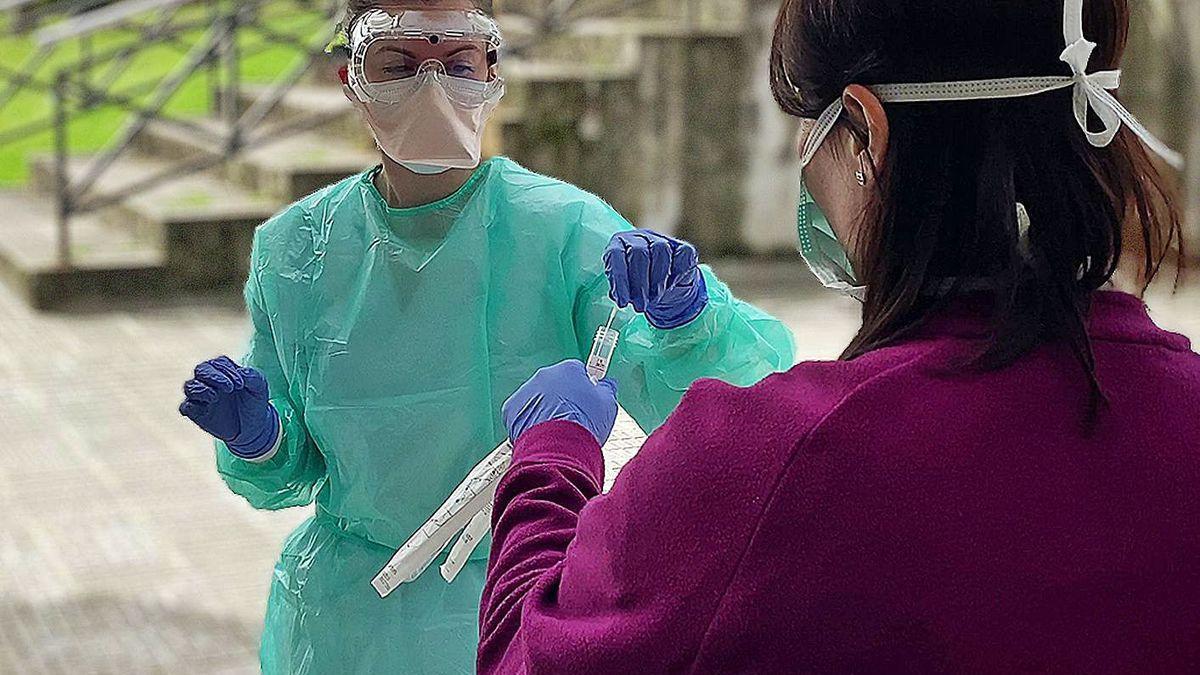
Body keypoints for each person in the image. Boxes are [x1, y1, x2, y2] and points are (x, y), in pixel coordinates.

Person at [479, 0, 1200, 672]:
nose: (802, 152)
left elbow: (532, 651)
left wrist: (550, 462)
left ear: (864, 132)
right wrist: (691, 325)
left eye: (807, 123)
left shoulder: (773, 469)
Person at [176, 0, 795, 672]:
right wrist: (260, 438)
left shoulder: (561, 232)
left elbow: (725, 413)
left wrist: (689, 321)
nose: (432, 86)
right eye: (401, 63)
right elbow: (292, 466)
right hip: (344, 629)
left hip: (518, 599)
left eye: (458, 62)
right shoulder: (299, 251)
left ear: (492, 72)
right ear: (350, 78)